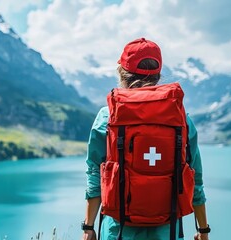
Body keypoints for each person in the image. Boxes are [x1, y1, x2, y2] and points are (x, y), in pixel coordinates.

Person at [81, 38, 210, 240]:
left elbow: (95, 175)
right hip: (168, 230)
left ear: (122, 72)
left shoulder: (108, 117)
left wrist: (88, 227)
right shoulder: (180, 119)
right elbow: (196, 178)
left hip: (119, 230)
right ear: (158, 75)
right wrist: (203, 231)